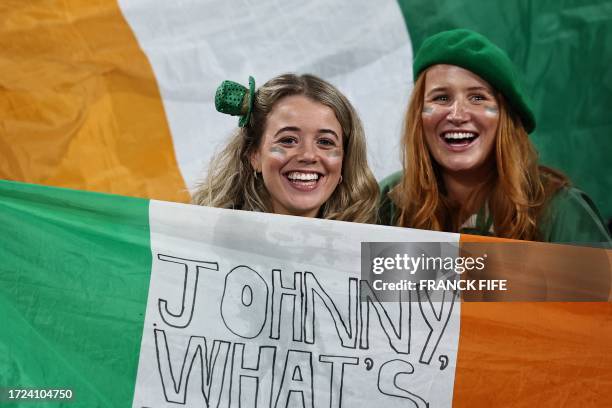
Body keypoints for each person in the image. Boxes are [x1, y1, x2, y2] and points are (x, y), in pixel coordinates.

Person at [379, 29, 611, 246]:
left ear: (506, 117)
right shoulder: (387, 201)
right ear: (418, 114)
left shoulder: (559, 211)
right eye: (441, 98)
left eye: (478, 98)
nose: (457, 115)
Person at [193, 73, 378, 223]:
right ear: (254, 155)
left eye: (325, 142)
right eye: (288, 140)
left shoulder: (378, 252)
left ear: (345, 159)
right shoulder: (201, 242)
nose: (308, 155)